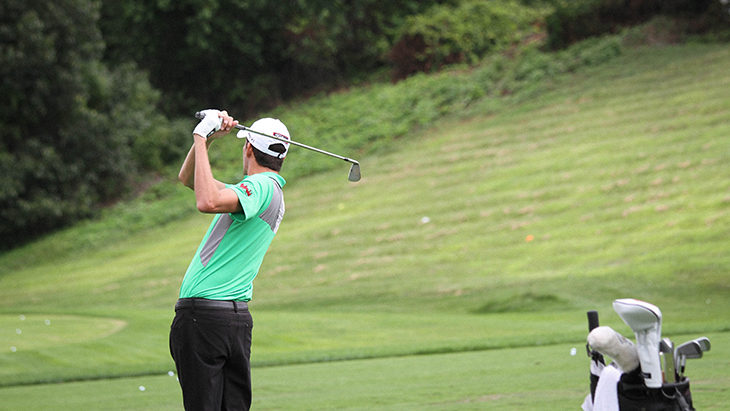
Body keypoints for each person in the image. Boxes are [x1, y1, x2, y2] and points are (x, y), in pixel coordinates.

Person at [169, 109, 291, 411]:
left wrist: (200, 134)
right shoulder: (267, 192)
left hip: (206, 318)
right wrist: (206, 140)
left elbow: (206, 201)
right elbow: (189, 180)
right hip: (231, 320)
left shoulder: (258, 188)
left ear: (248, 148)